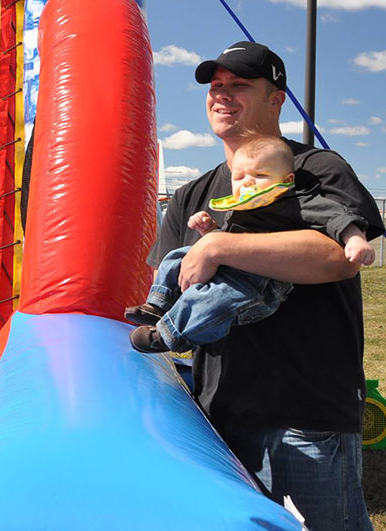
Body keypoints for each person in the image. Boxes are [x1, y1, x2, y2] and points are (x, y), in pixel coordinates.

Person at [150, 41, 382, 531]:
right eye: (216, 87)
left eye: (240, 86)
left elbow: (337, 259)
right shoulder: (193, 194)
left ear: (276, 100)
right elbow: (168, 284)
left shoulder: (316, 169)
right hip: (215, 413)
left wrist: (218, 248)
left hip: (304, 413)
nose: (222, 96)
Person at [128, 135, 375, 353]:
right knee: (177, 256)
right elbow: (228, 238)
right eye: (240, 176)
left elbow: (337, 217)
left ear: (287, 180)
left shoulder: (297, 201)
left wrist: (355, 238)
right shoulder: (239, 203)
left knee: (214, 301)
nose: (247, 182)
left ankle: (169, 335)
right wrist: (210, 231)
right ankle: (159, 303)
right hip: (229, 269)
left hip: (259, 284)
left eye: (260, 175)